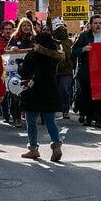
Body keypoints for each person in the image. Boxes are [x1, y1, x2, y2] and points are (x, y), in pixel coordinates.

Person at [18, 32, 65, 161]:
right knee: (50, 121)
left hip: (33, 91)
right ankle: (56, 145)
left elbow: (25, 72)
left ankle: (33, 149)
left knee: (31, 121)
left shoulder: (32, 55)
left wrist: (20, 66)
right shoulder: (54, 56)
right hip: (49, 90)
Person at [72, 15, 101, 128]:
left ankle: (98, 119)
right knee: (87, 96)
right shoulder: (84, 36)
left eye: (100, 23)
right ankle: (88, 118)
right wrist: (83, 49)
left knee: (100, 97)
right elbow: (73, 50)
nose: (98, 25)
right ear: (90, 25)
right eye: (95, 23)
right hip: (87, 72)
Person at [4, 18, 34, 127]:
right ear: (20, 27)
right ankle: (16, 117)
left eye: (28, 25)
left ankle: (29, 116)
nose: (26, 27)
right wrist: (13, 48)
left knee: (28, 93)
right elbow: (7, 51)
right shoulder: (14, 38)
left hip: (29, 71)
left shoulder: (33, 38)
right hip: (15, 71)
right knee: (15, 94)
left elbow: (37, 50)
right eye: (24, 25)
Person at [52, 19, 75, 120]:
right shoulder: (52, 42)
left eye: (62, 28)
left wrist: (73, 67)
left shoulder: (70, 42)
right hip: (54, 70)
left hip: (67, 71)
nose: (60, 30)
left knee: (64, 89)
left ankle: (65, 110)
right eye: (58, 28)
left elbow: (73, 56)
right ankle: (56, 109)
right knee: (55, 90)